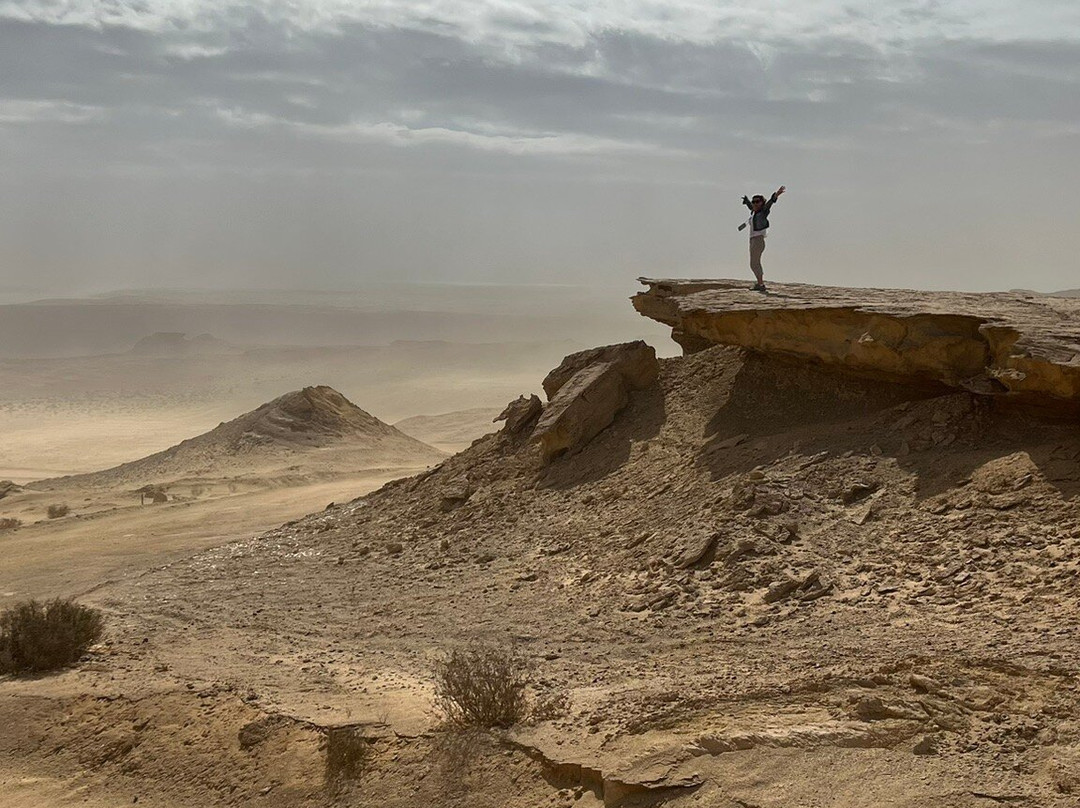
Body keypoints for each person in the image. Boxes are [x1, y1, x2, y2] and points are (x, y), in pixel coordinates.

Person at [739, 185, 786, 292]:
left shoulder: (763, 212)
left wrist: (776, 194)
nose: (755, 203)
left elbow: (770, 203)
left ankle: (760, 284)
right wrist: (746, 202)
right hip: (753, 240)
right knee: (754, 263)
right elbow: (751, 207)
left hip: (758, 240)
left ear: (761, 203)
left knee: (754, 263)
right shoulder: (754, 212)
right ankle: (760, 283)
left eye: (757, 202)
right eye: (753, 201)